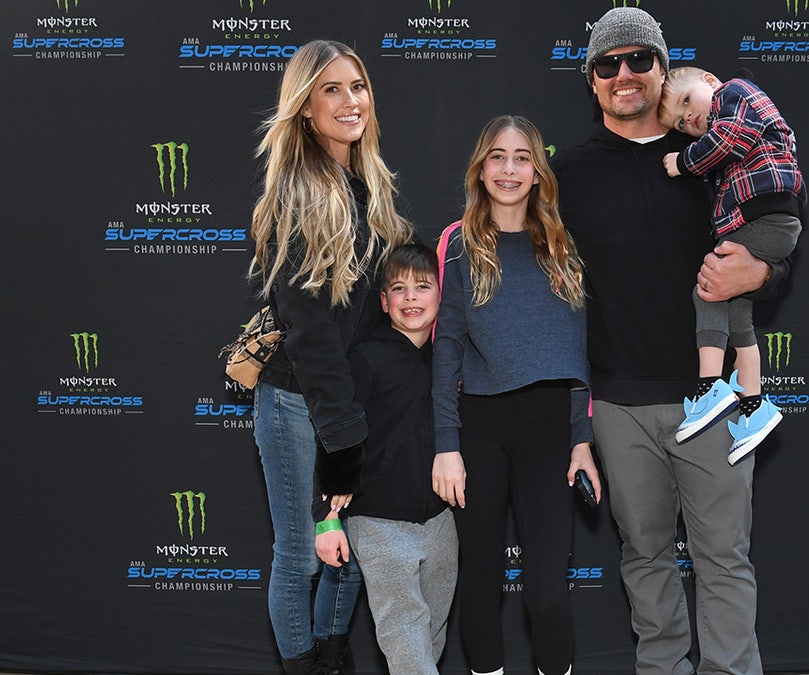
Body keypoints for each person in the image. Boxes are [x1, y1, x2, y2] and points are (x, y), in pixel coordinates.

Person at [550, 7, 791, 674]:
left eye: (640, 59)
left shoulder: (718, 153)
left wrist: (765, 271)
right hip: (618, 404)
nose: (624, 74)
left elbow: (775, 227)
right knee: (645, 557)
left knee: (724, 559)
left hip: (712, 400)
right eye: (608, 64)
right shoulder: (566, 175)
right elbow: (543, 289)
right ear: (592, 79)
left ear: (664, 69)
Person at [248, 39, 412, 675]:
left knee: (351, 551)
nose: (351, 101)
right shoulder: (298, 194)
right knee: (301, 556)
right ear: (305, 107)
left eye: (358, 86)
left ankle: (330, 657)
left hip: (347, 402)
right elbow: (311, 329)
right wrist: (343, 436)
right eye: (332, 89)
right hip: (297, 402)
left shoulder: (367, 187)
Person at [431, 115, 601, 675]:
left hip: (549, 429)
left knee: (548, 595)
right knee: (479, 585)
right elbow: (447, 347)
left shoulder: (562, 243)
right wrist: (446, 445)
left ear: (537, 171)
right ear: (481, 169)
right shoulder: (458, 243)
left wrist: (581, 439)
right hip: (478, 427)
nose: (509, 169)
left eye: (522, 158)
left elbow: (577, 351)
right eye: (498, 157)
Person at [318, 243, 458, 675]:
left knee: (431, 634)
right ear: (384, 302)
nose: (411, 297)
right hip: (378, 521)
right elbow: (336, 436)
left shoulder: (449, 361)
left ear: (441, 294)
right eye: (399, 288)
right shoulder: (365, 359)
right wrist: (327, 519)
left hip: (441, 521)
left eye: (422, 286)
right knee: (404, 631)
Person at [658, 65, 806, 462]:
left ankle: (710, 387)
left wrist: (682, 162)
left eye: (686, 101)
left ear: (709, 81)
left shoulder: (734, 93)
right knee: (737, 312)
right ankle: (755, 407)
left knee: (708, 289)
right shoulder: (726, 119)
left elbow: (729, 140)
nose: (689, 118)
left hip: (767, 217)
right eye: (680, 122)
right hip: (768, 219)